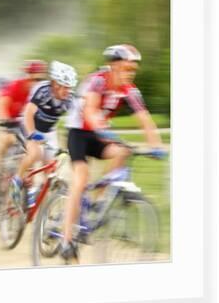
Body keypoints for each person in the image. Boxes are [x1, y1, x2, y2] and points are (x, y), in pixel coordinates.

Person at [62, 44, 166, 262]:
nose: (130, 73)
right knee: (80, 179)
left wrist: (156, 146)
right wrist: (100, 128)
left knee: (122, 152)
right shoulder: (98, 80)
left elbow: (145, 118)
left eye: (133, 69)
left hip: (99, 135)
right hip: (79, 133)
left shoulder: (130, 90)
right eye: (126, 68)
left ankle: (99, 204)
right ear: (113, 66)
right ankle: (67, 240)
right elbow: (90, 109)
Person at [9, 61, 77, 205]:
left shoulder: (70, 98)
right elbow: (28, 115)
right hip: (29, 124)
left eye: (69, 87)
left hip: (49, 131)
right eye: (63, 86)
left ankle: (44, 203)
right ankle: (17, 180)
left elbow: (74, 125)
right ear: (54, 83)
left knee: (50, 168)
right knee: (35, 154)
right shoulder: (42, 90)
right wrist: (32, 135)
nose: (67, 91)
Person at [0, 60, 48, 174]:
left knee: (35, 150)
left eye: (40, 80)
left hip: (27, 124)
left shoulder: (42, 92)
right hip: (12, 121)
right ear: (27, 76)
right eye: (34, 79)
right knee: (7, 139)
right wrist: (6, 119)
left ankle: (29, 178)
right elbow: (2, 104)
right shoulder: (16, 86)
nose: (37, 83)